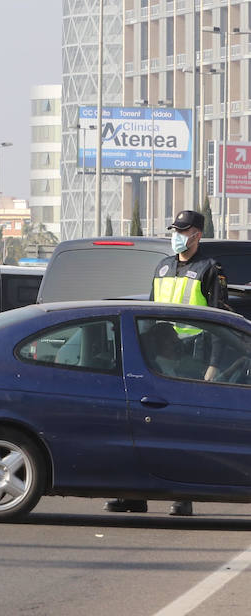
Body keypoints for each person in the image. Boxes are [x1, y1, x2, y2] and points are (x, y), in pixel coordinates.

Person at [107, 208, 228, 517]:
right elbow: (147, 316)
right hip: (157, 361)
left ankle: (183, 495)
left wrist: (213, 366)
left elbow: (219, 322)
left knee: (185, 431)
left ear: (197, 235)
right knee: (143, 428)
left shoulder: (209, 269)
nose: (176, 236)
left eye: (182, 231)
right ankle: (134, 494)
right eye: (174, 230)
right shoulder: (162, 267)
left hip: (192, 361)